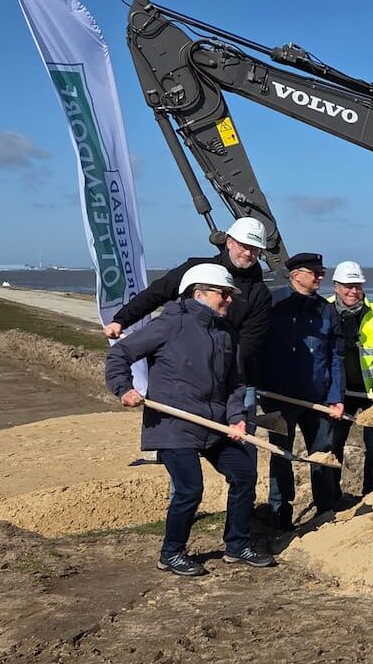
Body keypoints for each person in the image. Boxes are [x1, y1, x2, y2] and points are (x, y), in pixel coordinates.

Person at [104, 263, 275, 576]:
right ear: (199, 293)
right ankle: (171, 552)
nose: (229, 300)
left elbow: (236, 383)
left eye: (231, 294)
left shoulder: (226, 333)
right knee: (189, 489)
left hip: (215, 424)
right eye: (224, 294)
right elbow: (120, 355)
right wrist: (124, 389)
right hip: (173, 423)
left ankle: (236, 546)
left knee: (244, 475)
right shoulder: (170, 324)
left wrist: (237, 418)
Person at [105, 217, 273, 386]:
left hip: (230, 375)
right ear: (229, 242)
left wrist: (214, 369)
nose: (248, 253)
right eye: (244, 246)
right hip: (183, 370)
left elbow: (249, 343)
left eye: (255, 249)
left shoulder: (260, 294)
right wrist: (121, 320)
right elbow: (157, 292)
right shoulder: (196, 270)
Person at [261, 252, 345, 528]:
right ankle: (280, 511)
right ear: (296, 274)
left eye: (322, 272)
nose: (321, 277)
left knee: (322, 453)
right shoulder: (273, 303)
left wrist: (336, 397)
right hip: (279, 397)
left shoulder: (326, 309)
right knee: (281, 455)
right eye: (315, 272)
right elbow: (256, 346)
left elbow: (335, 354)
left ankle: (325, 509)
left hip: (318, 397)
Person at [327, 260, 373, 493]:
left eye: (357, 286)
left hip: (372, 391)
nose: (352, 291)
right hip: (339, 391)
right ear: (336, 286)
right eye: (347, 286)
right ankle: (332, 492)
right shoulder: (323, 309)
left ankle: (372, 488)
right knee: (335, 442)